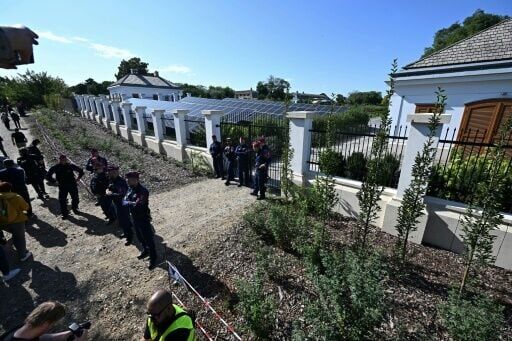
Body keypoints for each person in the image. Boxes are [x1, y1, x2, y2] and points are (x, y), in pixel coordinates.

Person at [1, 301, 88, 341]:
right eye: (53, 324)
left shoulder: (23, 328)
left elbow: (42, 338)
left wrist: (67, 333)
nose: (51, 327)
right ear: (45, 323)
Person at [124, 171, 157, 270]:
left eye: (130, 181)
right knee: (139, 237)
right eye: (128, 181)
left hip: (143, 218)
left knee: (148, 238)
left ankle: (153, 257)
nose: (128, 183)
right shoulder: (130, 189)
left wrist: (129, 202)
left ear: (136, 180)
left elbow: (138, 205)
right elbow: (123, 202)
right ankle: (145, 250)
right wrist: (131, 202)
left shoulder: (143, 191)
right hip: (134, 217)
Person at [0, 182, 31, 262]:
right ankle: (23, 255)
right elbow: (26, 207)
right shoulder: (16, 196)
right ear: (10, 189)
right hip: (17, 221)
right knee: (20, 238)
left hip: (3, 223)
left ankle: (20, 248)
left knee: (15, 235)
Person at [46, 155, 84, 220]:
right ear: (59, 160)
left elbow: (81, 171)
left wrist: (78, 178)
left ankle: (74, 208)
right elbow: (48, 176)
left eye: (64, 160)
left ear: (66, 160)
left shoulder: (70, 166)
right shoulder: (56, 167)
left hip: (72, 185)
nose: (63, 161)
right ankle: (64, 213)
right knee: (62, 200)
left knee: (75, 198)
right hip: (62, 186)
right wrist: (54, 181)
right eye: (61, 160)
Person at [106, 165, 134, 245]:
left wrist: (110, 194)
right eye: (110, 172)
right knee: (121, 220)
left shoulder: (121, 182)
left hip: (122, 204)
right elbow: (109, 187)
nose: (112, 174)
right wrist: (107, 190)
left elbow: (122, 194)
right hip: (116, 204)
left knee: (125, 221)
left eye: (114, 172)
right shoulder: (111, 180)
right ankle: (126, 233)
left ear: (118, 172)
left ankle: (130, 237)